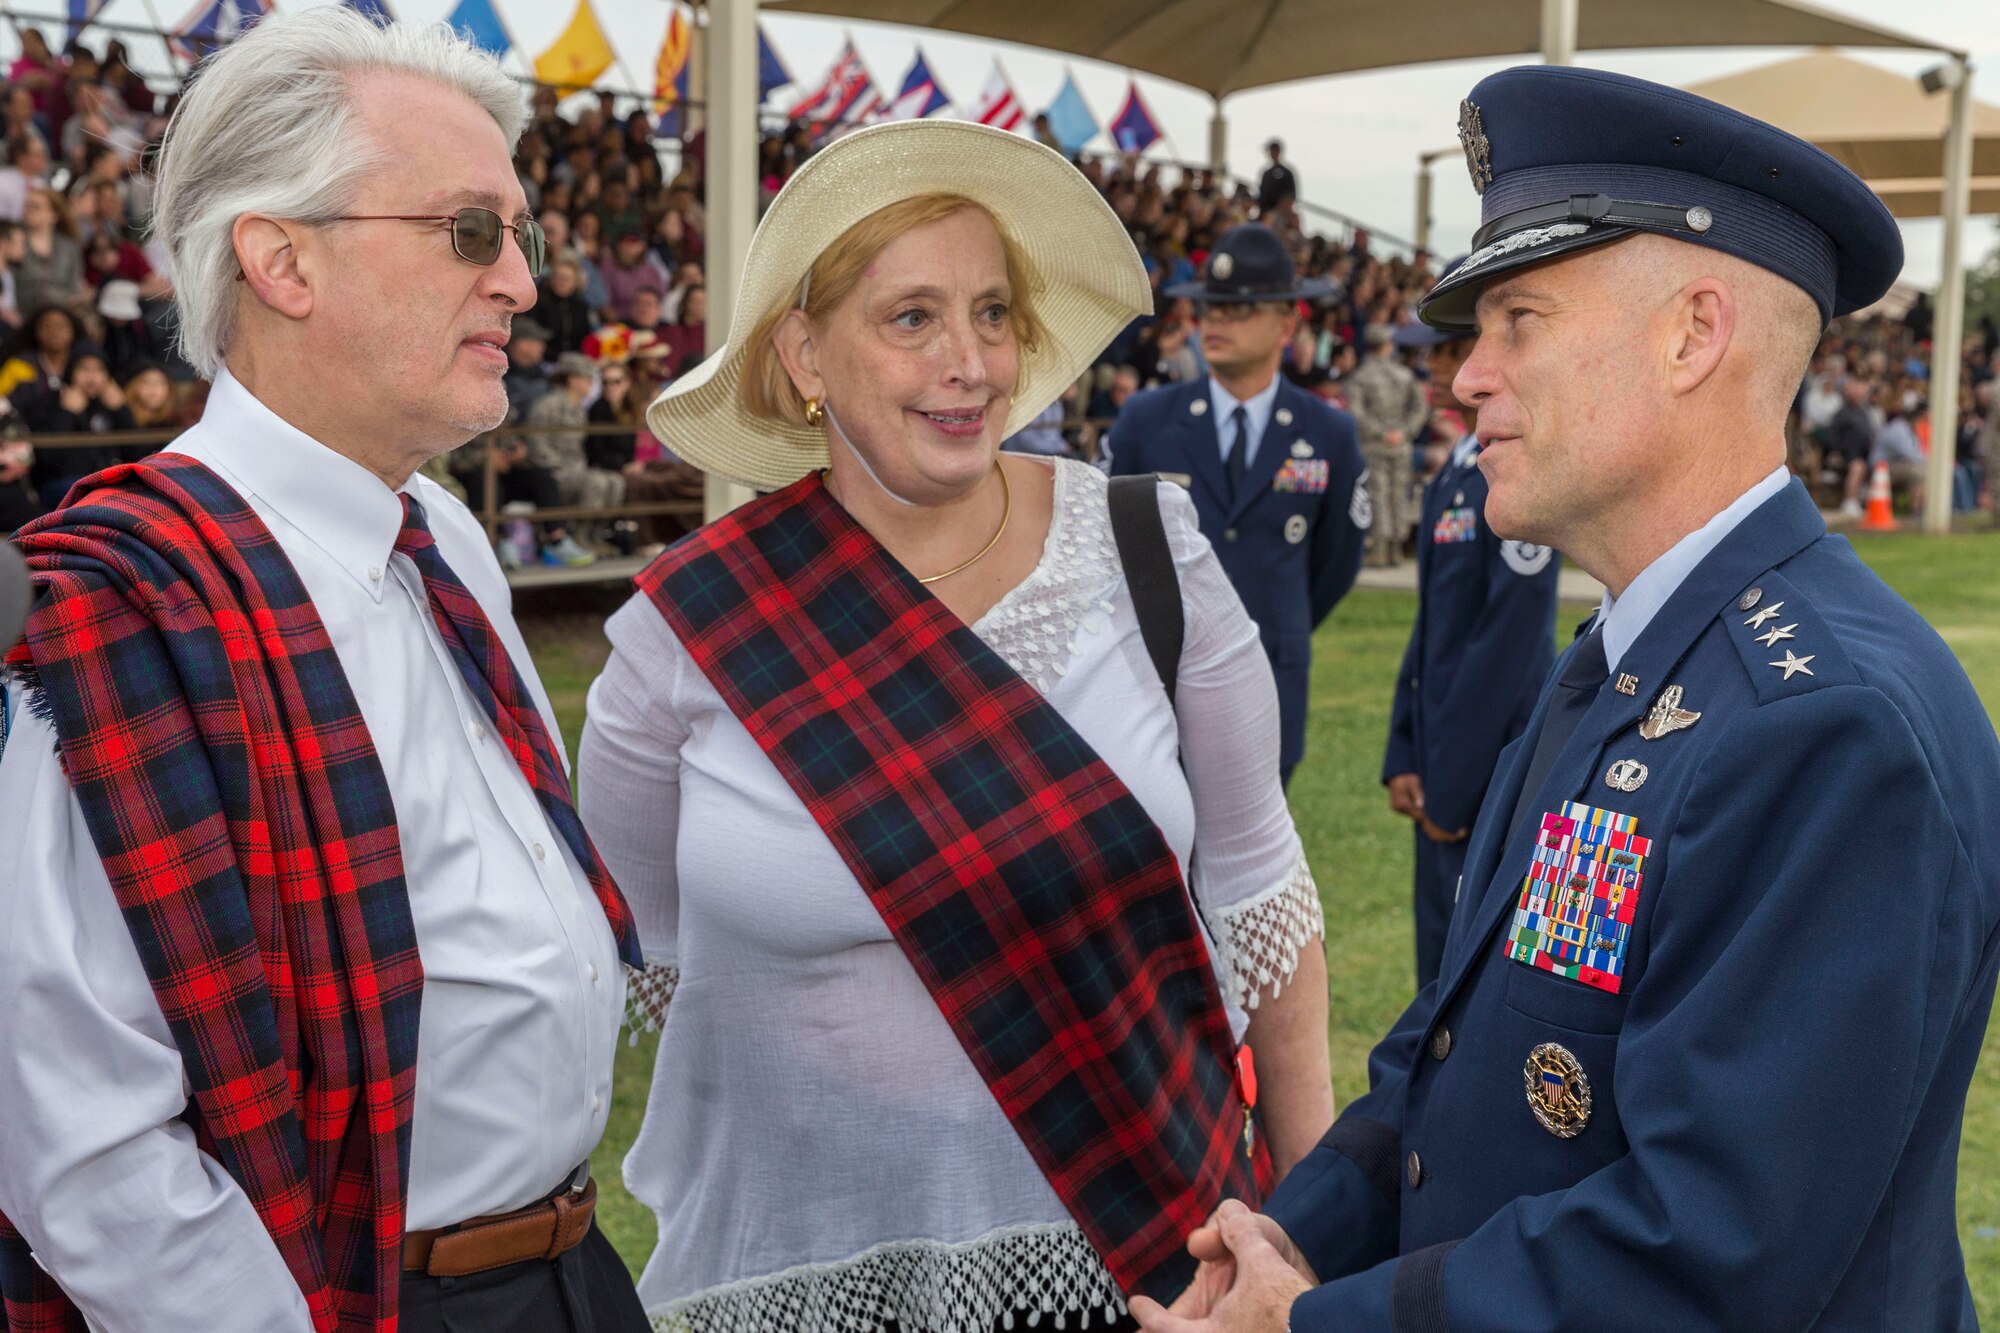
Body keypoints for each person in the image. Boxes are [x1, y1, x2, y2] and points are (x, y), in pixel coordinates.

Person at [1130, 66, 2000, 1333]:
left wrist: (1308, 1323)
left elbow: (1707, 1253)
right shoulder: (1629, 660)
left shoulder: (1821, 722)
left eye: (1518, 320)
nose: (1465, 377)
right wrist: (1285, 1230)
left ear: (1691, 334)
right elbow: (1452, 1050)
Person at [579, 119, 1333, 1332]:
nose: (969, 362)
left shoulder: (1148, 550)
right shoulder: (683, 632)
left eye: (991, 314)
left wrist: (1309, 1234)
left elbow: (1259, 894)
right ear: (804, 353)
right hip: (794, 1286)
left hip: (1149, 1268)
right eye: (912, 317)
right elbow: (648, 966)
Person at [0, 13, 649, 1332]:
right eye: (473, 231)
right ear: (281, 259)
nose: (522, 280)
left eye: (520, 234)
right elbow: (85, 1143)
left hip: (572, 1274)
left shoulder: (447, 535)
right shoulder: (109, 604)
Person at [1107, 222, 1370, 787]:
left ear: (1286, 323)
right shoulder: (1146, 422)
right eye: (1210, 308)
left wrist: (1277, 624)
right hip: (1159, 687)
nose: (1216, 322)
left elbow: (1334, 563)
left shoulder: (1328, 433)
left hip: (1270, 679)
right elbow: (1111, 552)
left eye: (1240, 308)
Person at [1382, 313, 1561, 991]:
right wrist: (1405, 748)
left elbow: (1508, 646)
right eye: (1431, 352)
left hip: (1489, 769)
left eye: (1452, 349)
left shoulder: (1520, 470)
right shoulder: (1456, 469)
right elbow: (1432, 625)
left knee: (1477, 976)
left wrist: (1453, 787)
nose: (1437, 367)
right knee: (1436, 963)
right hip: (1441, 763)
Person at [1345, 323, 1428, 567]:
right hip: (1401, 444)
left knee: (1378, 494)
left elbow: (1355, 413)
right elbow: (1420, 408)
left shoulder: (1360, 377)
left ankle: (1380, 548)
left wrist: (1382, 434)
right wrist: (1404, 432)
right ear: (1388, 346)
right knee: (1399, 493)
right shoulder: (1404, 374)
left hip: (1374, 444)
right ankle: (1396, 549)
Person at [1256, 139, 1297, 216]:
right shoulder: (1266, 174)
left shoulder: (1286, 173)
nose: (1271, 153)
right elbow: (1262, 195)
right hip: (1266, 214)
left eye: (1273, 150)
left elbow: (1291, 195)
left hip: (1282, 215)